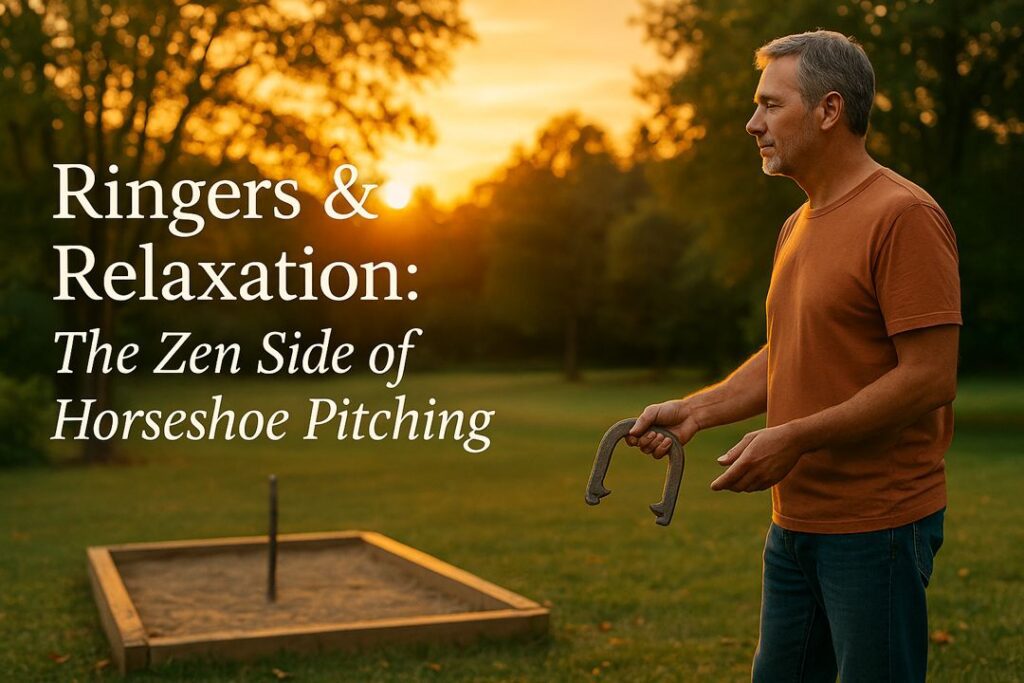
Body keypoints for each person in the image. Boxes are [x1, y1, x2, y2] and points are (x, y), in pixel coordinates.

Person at [625, 30, 961, 683]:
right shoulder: (797, 224)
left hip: (877, 526)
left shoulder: (903, 215)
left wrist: (795, 437)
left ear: (830, 110)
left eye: (771, 105)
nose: (753, 124)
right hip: (795, 524)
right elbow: (791, 348)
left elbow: (929, 378)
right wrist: (696, 411)